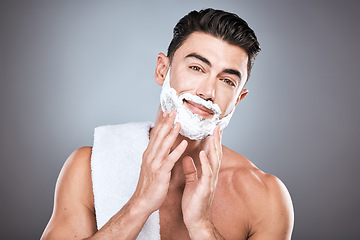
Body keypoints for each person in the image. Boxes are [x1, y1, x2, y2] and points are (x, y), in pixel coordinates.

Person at [41, 8, 294, 240]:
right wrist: (138, 206)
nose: (207, 91)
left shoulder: (265, 197)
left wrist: (202, 225)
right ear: (162, 69)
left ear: (238, 99)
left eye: (227, 80)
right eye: (196, 67)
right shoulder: (89, 169)